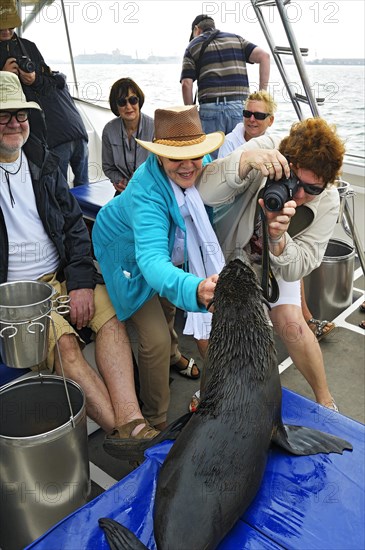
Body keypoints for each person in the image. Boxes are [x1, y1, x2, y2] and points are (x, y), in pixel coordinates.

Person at [0, 71, 161, 451]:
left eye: (20, 115)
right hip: (19, 297)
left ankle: (133, 425)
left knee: (110, 320)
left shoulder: (42, 160)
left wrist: (82, 282)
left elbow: (74, 226)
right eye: (4, 116)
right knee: (67, 346)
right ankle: (131, 441)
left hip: (61, 275)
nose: (14, 123)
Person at [197, 117, 345, 410]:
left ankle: (326, 402)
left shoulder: (328, 201)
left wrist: (278, 240)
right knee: (219, 325)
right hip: (229, 252)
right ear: (286, 162)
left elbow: (301, 265)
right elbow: (204, 190)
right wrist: (245, 161)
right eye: (295, 182)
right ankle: (221, 392)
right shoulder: (264, 150)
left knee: (292, 324)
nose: (300, 195)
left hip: (275, 264)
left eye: (312, 189)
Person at [92, 106, 225, 431]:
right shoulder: (147, 191)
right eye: (175, 158)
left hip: (168, 248)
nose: (188, 165)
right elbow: (151, 262)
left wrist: (253, 159)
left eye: (195, 155)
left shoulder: (200, 166)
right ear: (159, 155)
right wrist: (194, 289)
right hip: (123, 253)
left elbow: (230, 172)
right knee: (154, 337)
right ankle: (154, 420)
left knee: (168, 307)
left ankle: (174, 358)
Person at [0, 1, 89, 185]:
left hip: (33, 127)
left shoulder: (29, 47)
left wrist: (34, 79)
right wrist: (3, 76)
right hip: (5, 126)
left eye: (11, 27)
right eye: (2, 29)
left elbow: (50, 84)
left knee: (50, 184)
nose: (7, 32)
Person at [180, 14, 270, 157]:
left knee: (211, 162)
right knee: (241, 158)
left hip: (210, 110)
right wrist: (261, 97)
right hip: (238, 107)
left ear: (196, 30)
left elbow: (186, 84)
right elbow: (264, 56)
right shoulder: (236, 39)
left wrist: (191, 114)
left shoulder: (193, 45)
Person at [102, 77, 154, 195]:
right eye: (122, 102)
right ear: (116, 106)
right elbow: (108, 167)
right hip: (124, 190)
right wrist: (118, 180)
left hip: (150, 190)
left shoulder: (154, 127)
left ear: (139, 100)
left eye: (133, 100)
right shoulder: (109, 130)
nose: (128, 106)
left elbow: (163, 167)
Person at [218, 90, 276, 158]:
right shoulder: (229, 142)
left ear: (271, 120)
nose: (251, 119)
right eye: (247, 114)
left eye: (258, 115)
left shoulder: (273, 145)